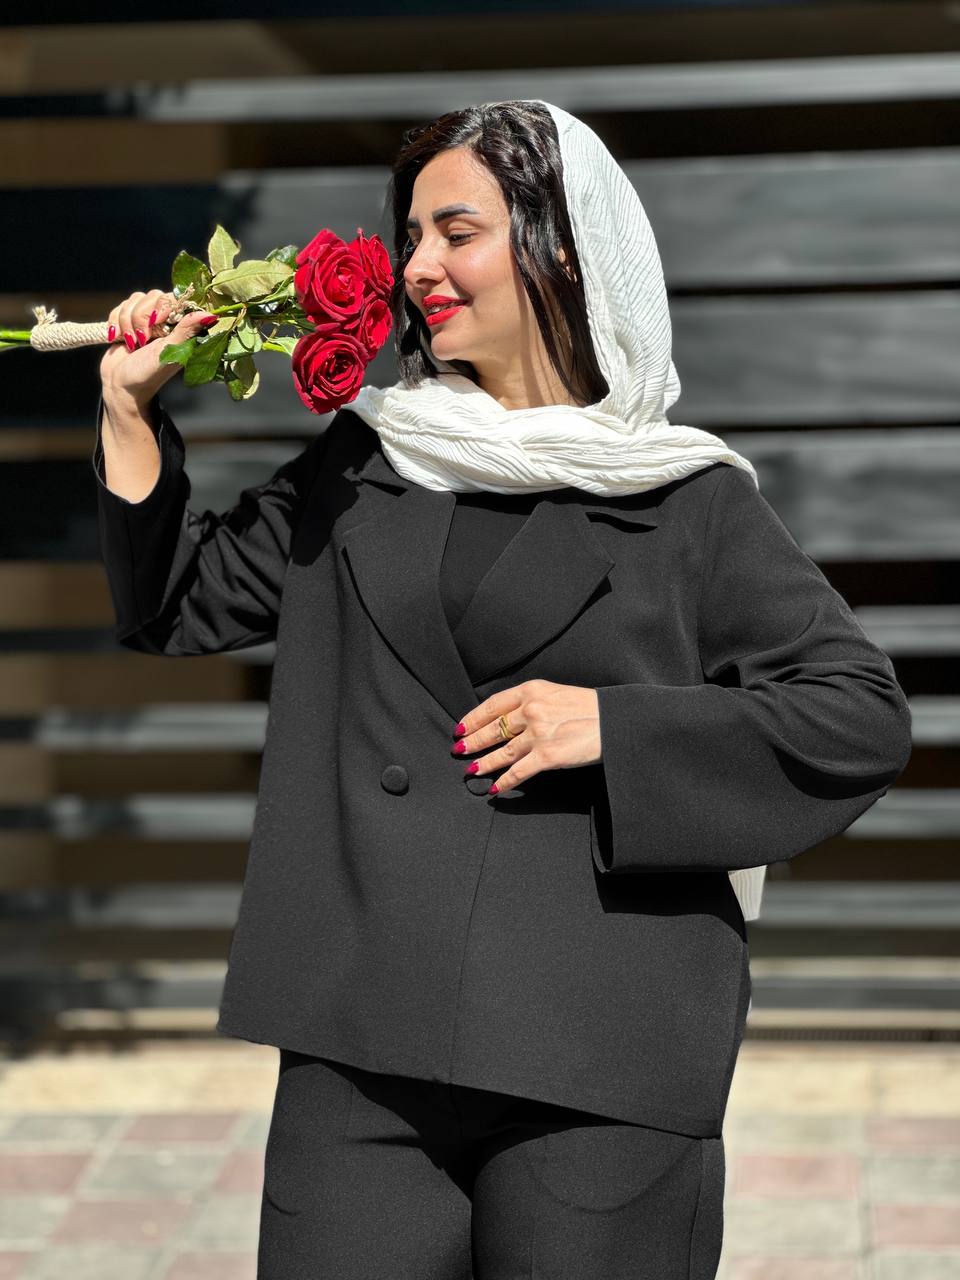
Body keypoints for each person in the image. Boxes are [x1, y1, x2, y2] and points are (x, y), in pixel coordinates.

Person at [92, 100, 913, 1280]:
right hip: (361, 1033)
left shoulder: (685, 498)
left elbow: (857, 715)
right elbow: (177, 603)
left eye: (457, 232)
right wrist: (129, 408)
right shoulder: (371, 458)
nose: (417, 266)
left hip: (599, 1047)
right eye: (411, 235)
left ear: (560, 247)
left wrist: (613, 725)